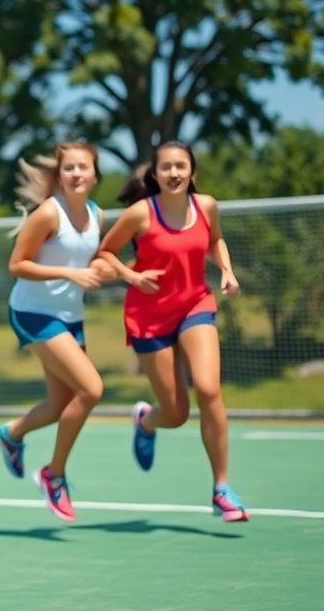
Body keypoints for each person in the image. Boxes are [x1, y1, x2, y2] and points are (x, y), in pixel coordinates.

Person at [97, 141, 248, 522]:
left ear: (192, 172)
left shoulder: (207, 206)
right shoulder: (139, 214)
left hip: (195, 305)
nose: (175, 173)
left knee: (210, 389)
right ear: (155, 175)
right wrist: (132, 275)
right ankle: (146, 421)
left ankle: (221, 488)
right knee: (177, 413)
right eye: (166, 167)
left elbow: (214, 240)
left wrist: (227, 270)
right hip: (148, 315)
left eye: (182, 166)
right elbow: (105, 252)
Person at [0, 143, 110, 522]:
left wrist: (126, 275)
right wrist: (70, 274)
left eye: (83, 168)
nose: (76, 174)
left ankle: (11, 434)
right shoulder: (48, 214)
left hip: (69, 316)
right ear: (60, 175)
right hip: (33, 312)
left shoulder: (97, 215)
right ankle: (53, 474)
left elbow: (95, 260)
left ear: (95, 175)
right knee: (91, 389)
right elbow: (17, 264)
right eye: (69, 168)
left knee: (60, 404)